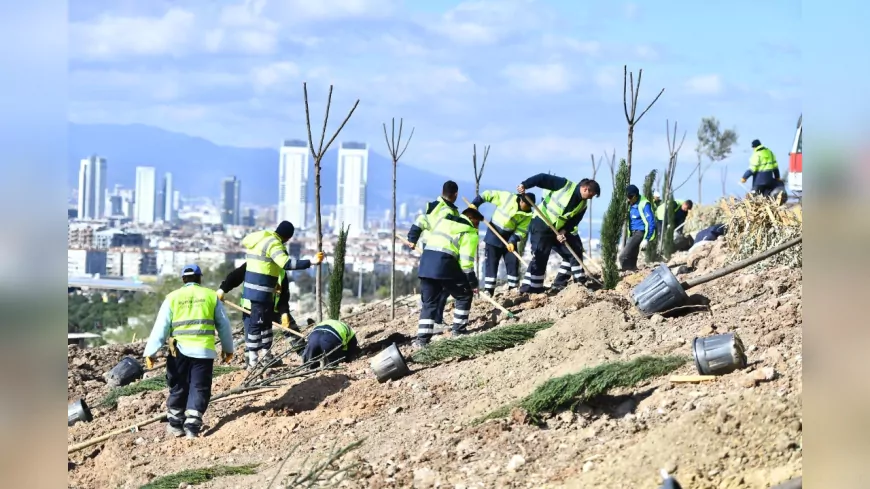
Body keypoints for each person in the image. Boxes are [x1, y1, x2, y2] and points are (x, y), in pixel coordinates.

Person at [143, 265, 234, 439]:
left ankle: (176, 424)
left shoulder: (172, 298)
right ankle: (192, 426)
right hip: (203, 351)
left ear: (183, 279)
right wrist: (228, 348)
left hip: (178, 351)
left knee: (178, 385)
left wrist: (151, 352)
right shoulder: (210, 296)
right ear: (200, 278)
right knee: (199, 387)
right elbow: (224, 325)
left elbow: (161, 328)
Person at [237, 221, 324, 370]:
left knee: (263, 327)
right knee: (257, 328)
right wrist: (312, 261)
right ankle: (253, 362)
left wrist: (284, 313)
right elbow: (286, 263)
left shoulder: (260, 242)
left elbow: (283, 292)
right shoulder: (274, 244)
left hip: (256, 294)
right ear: (287, 238)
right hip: (262, 294)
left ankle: (265, 358)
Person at [412, 207, 484, 349]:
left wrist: (412, 236)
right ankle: (459, 331)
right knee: (464, 295)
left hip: (426, 264)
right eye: (477, 223)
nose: (477, 227)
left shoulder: (443, 222)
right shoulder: (469, 233)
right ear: (471, 219)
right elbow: (466, 263)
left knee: (429, 303)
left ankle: (422, 341)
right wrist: (473, 283)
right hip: (444, 265)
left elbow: (423, 221)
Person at [516, 174, 601, 294]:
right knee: (541, 256)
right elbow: (542, 178)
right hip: (541, 223)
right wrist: (525, 184)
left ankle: (571, 284)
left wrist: (564, 231)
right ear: (585, 189)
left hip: (556, 230)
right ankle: (534, 290)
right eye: (591, 195)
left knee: (572, 251)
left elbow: (574, 221)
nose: (591, 198)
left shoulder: (583, 205)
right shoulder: (564, 185)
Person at [407, 181, 459, 333]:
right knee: (442, 288)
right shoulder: (444, 210)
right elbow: (422, 221)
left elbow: (420, 221)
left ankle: (434, 321)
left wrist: (412, 238)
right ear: (455, 194)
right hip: (439, 252)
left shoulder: (436, 207)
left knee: (438, 288)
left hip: (433, 252)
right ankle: (435, 321)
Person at [217, 262, 301, 355]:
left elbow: (284, 296)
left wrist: (284, 312)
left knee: (291, 329)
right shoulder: (253, 264)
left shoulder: (281, 271)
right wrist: (223, 289)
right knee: (252, 340)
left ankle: (305, 354)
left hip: (273, 309)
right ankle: (252, 363)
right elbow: (235, 276)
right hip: (251, 310)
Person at [469, 189, 535, 296]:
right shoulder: (507, 197)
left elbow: (522, 230)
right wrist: (475, 203)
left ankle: (513, 288)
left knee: (512, 261)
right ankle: (489, 290)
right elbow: (488, 194)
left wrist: (513, 241)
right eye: (527, 206)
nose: (528, 209)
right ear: (522, 202)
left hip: (509, 238)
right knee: (491, 262)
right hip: (494, 232)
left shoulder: (528, 214)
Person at [619, 185, 655, 271]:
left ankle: (626, 273)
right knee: (632, 255)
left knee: (623, 256)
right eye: (627, 196)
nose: (628, 199)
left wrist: (646, 239)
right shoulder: (629, 203)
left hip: (640, 232)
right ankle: (632, 270)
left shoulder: (644, 204)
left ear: (635, 195)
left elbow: (651, 222)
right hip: (632, 232)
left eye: (630, 197)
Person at [550, 224, 588, 289]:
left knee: (568, 258)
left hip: (565, 233)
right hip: (560, 234)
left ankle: (559, 284)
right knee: (575, 255)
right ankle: (579, 283)